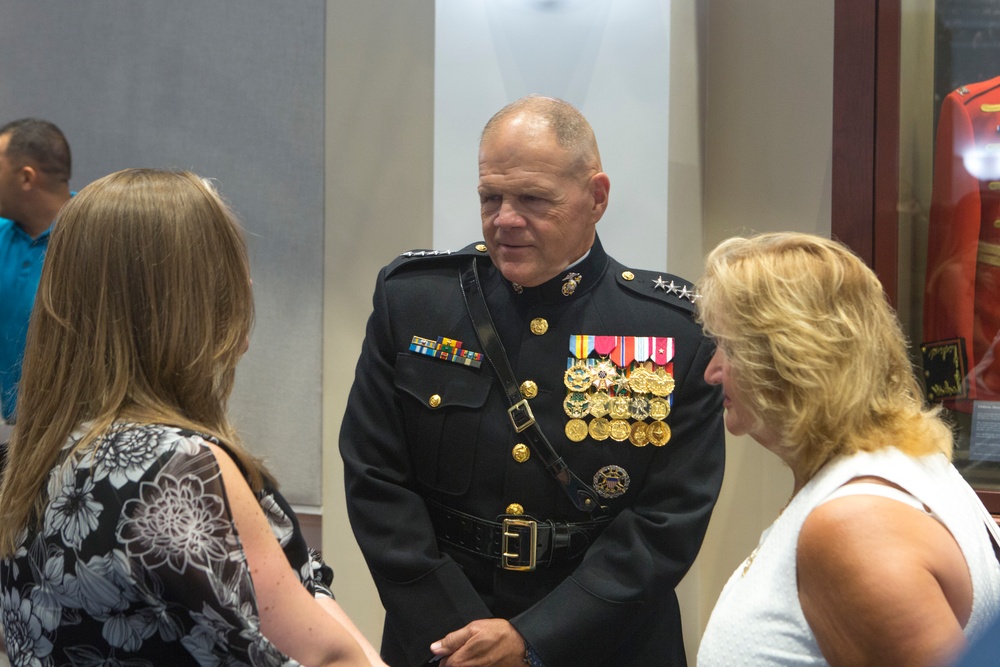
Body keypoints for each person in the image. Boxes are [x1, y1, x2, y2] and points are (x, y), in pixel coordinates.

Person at [340, 95, 726, 667]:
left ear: (596, 197)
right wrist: (461, 634)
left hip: (606, 642)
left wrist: (533, 639)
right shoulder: (415, 303)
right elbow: (375, 480)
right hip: (443, 642)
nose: (505, 219)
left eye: (532, 199)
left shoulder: (672, 331)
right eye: (490, 197)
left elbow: (667, 521)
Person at [0, 169, 382, 666]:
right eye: (229, 264)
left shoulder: (32, 462)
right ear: (189, 300)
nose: (246, 283)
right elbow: (327, 659)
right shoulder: (175, 467)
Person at [695, 232, 1000, 666]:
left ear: (791, 357)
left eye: (730, 346)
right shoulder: (907, 459)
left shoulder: (854, 529)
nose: (712, 371)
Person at [0, 118, 73, 426]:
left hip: (71, 434)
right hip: (12, 429)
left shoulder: (96, 241)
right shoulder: (3, 232)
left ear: (26, 178)